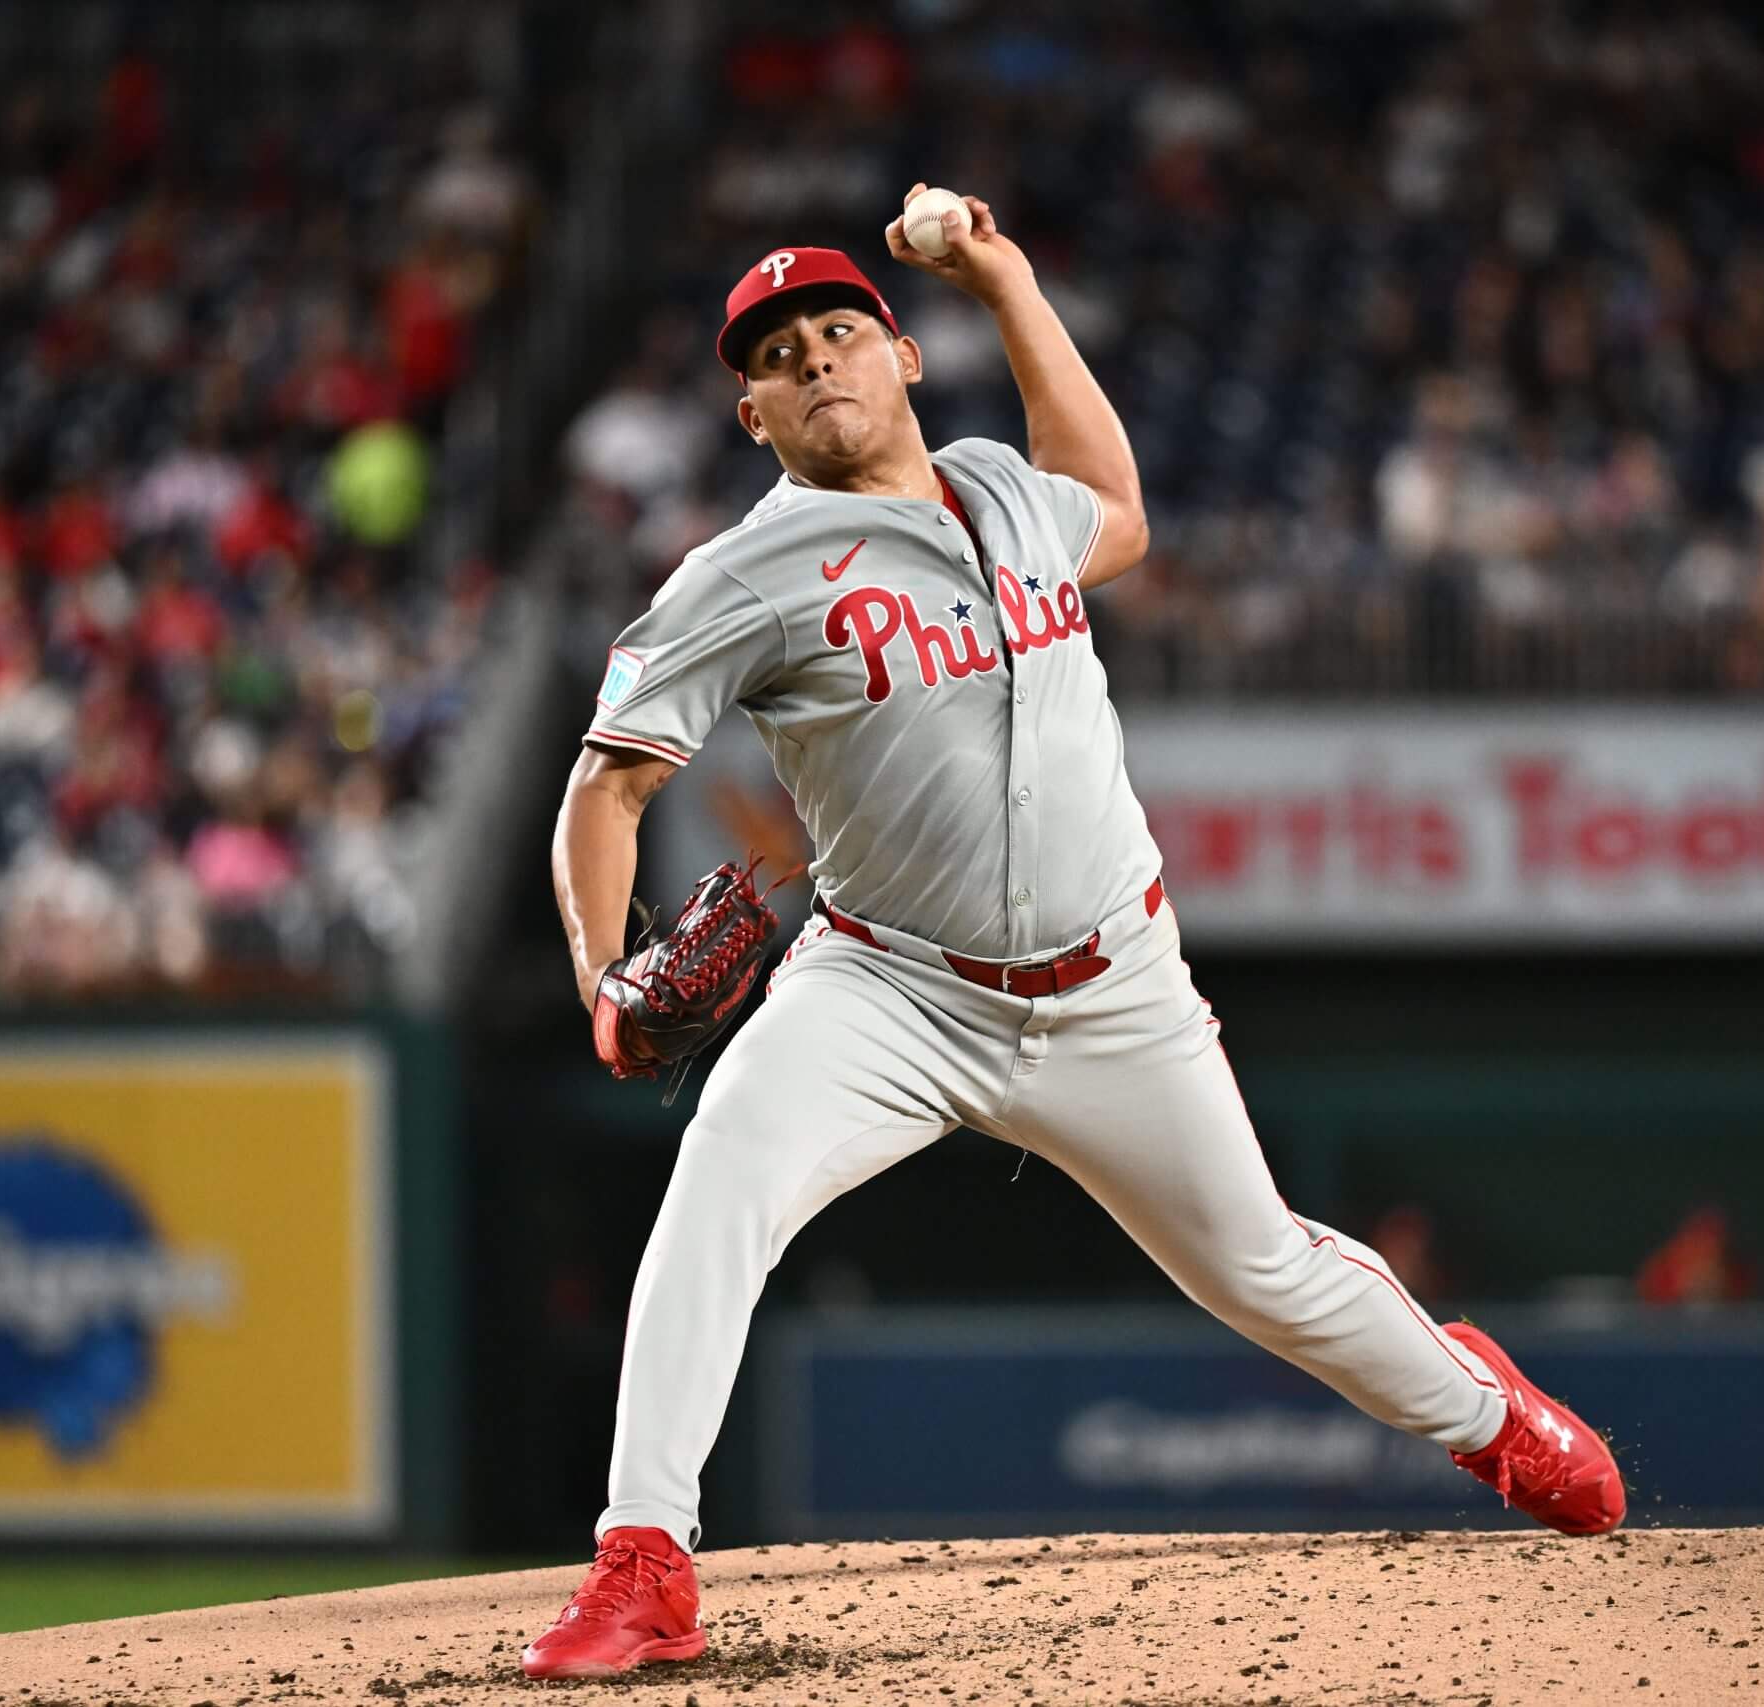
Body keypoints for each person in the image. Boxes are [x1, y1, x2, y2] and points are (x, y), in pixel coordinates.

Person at [531, 185, 1627, 1680]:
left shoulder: (999, 490)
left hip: (1115, 986)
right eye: (779, 358)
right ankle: (643, 1567)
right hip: (889, 989)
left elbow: (1114, 509)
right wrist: (605, 970)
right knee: (716, 1190)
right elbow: (606, 787)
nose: (816, 363)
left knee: (1269, 1277)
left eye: (841, 332)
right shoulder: (741, 575)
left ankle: (1491, 1418)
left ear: (901, 358)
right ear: (753, 418)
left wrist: (1006, 278)